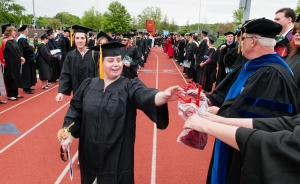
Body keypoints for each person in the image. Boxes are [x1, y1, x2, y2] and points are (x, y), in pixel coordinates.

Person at [59, 42, 184, 183]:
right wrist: (67, 132)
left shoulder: (129, 86)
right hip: (89, 154)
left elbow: (144, 95)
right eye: (110, 61)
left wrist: (163, 96)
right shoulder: (88, 85)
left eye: (119, 60)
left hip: (117, 158)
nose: (116, 64)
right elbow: (75, 111)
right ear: (101, 63)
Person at [199, 18, 299, 184]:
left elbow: (250, 115)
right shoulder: (251, 67)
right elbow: (224, 97)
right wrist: (204, 99)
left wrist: (204, 111)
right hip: (236, 141)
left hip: (247, 154)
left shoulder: (271, 74)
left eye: (242, 38)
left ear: (253, 41)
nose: (240, 42)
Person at [184, 111, 300, 183]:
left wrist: (208, 126)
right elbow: (287, 123)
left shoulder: (270, 73)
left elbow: (281, 145)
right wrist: (222, 120)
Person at [56, 25, 99, 102]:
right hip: (77, 92)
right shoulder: (70, 55)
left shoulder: (95, 54)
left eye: (82, 38)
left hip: (93, 92)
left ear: (86, 39)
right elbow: (65, 74)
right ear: (74, 39)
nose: (80, 41)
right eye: (77, 38)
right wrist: (61, 92)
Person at [3, 26, 25, 101]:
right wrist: (19, 57)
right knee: (11, 76)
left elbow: (19, 49)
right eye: (13, 31)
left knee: (16, 76)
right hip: (10, 63)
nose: (15, 32)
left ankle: (15, 93)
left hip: (16, 62)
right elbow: (12, 52)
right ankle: (10, 94)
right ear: (9, 32)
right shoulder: (6, 41)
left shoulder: (13, 41)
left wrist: (21, 56)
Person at [17, 25, 37, 94]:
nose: (28, 30)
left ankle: (29, 85)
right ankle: (26, 87)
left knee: (29, 72)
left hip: (28, 59)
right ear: (25, 30)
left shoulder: (24, 38)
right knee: (26, 73)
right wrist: (31, 48)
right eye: (27, 29)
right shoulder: (21, 39)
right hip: (26, 59)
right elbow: (25, 50)